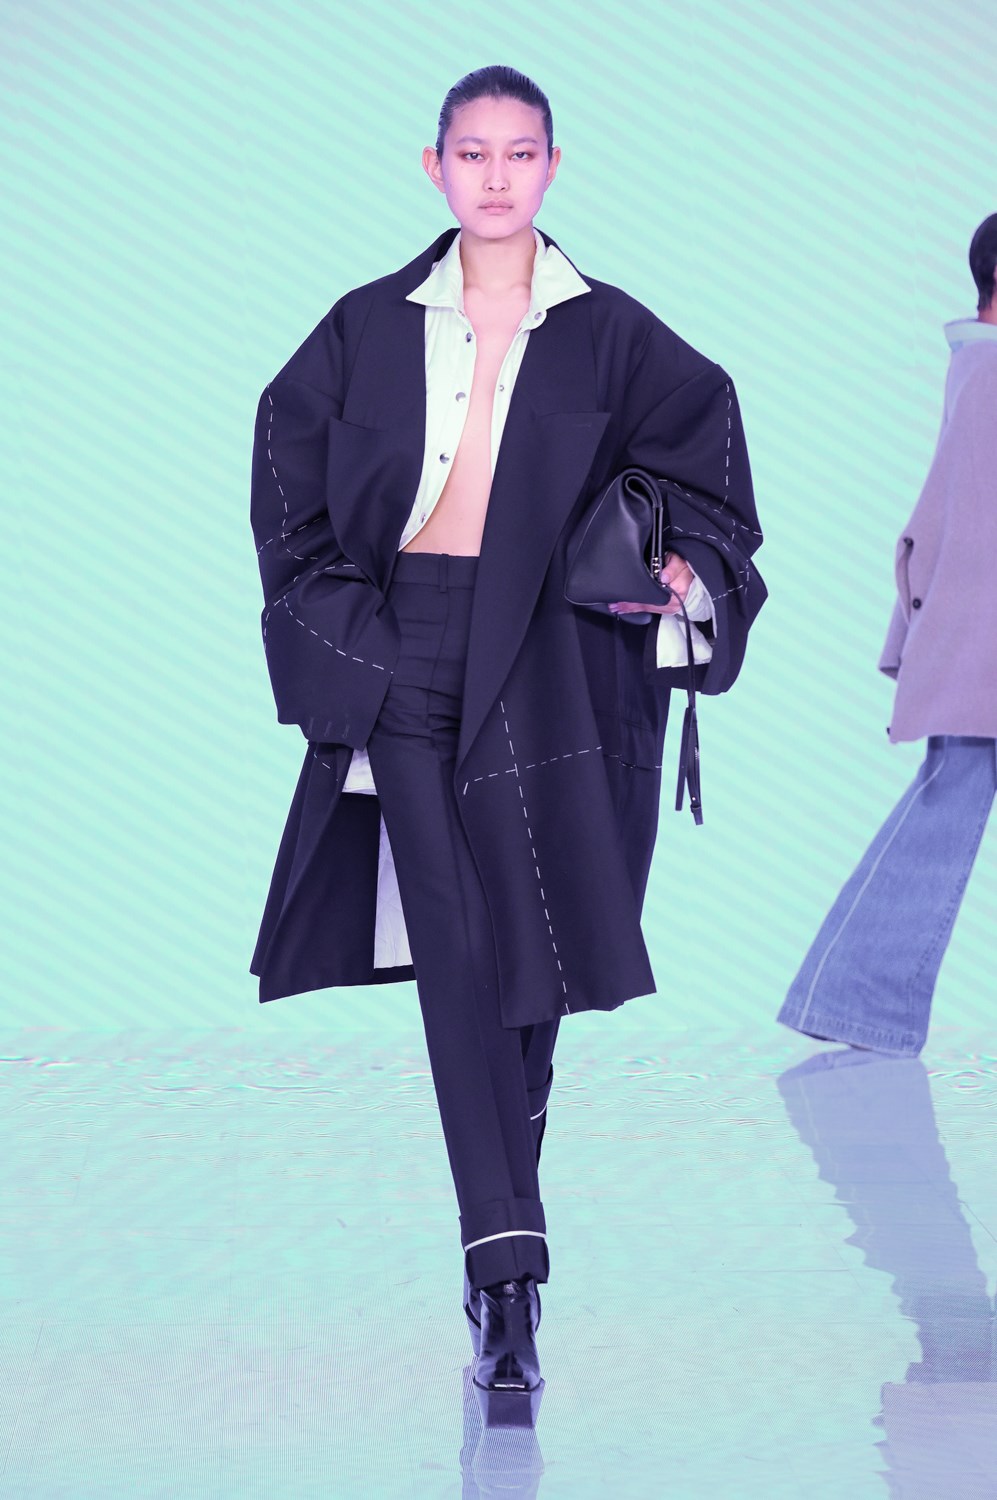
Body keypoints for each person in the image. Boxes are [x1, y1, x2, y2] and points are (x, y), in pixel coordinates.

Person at [250, 65, 764, 1424]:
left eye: (518, 152)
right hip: (405, 646)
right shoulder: (362, 327)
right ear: (434, 168)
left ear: (552, 166)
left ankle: (500, 1242)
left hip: (549, 654)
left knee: (530, 967)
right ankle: (511, 1286)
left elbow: (710, 472)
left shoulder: (614, 335)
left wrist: (682, 566)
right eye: (470, 153)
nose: (494, 176)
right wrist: (352, 636)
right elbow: (289, 493)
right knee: (461, 953)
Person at [778, 213, 997, 1058]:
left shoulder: (975, 371)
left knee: (946, 802)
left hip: (972, 640)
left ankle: (849, 999)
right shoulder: (987, 376)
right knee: (945, 806)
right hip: (979, 641)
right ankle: (851, 999)